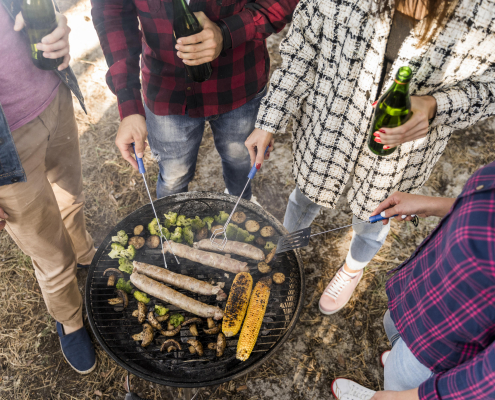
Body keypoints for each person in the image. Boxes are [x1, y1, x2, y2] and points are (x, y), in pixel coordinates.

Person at [245, 0, 495, 315]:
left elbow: (490, 87)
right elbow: (304, 46)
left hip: (399, 149)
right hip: (328, 125)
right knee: (305, 194)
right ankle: (287, 247)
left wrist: (436, 106)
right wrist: (270, 119)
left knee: (374, 215)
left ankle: (353, 268)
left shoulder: (485, 10)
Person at [90, 0, 298, 200]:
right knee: (173, 178)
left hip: (240, 81)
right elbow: (111, 12)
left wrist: (226, 32)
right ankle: (172, 228)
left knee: (241, 162)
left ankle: (241, 206)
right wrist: (129, 103)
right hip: (166, 89)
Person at [331, 160, 495, 400]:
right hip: (425, 289)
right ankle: (400, 355)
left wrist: (407, 396)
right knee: (391, 322)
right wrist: (437, 205)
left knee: (399, 378)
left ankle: (391, 387)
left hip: (444, 345)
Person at [0, 1, 96, 374]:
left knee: (72, 198)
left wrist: (55, 24)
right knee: (50, 255)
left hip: (53, 94)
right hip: (5, 149)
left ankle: (86, 252)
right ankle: (70, 321)